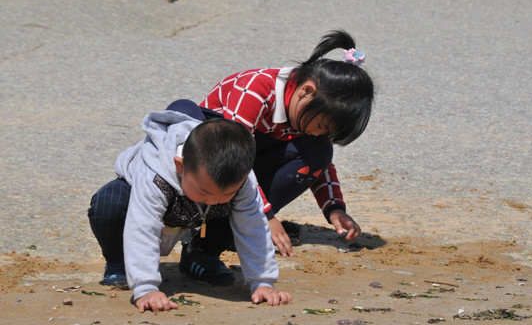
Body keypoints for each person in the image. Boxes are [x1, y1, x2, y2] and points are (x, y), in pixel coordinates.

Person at [173, 29, 374, 284]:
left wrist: (334, 208)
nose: (320, 132)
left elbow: (321, 165)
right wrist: (266, 216)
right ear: (307, 91)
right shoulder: (254, 90)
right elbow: (234, 159)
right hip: (208, 177)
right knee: (244, 167)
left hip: (245, 175)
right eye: (322, 126)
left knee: (320, 150)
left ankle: (219, 240)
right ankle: (201, 247)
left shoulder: (305, 113)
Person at [88, 101, 291, 312]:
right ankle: (119, 264)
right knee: (109, 202)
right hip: (148, 201)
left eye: (227, 193)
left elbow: (252, 226)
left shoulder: (242, 176)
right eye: (205, 192)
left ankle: (200, 256)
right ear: (180, 165)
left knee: (243, 210)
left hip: (200, 215)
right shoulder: (154, 171)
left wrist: (263, 282)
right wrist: (146, 288)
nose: (214, 200)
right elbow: (141, 227)